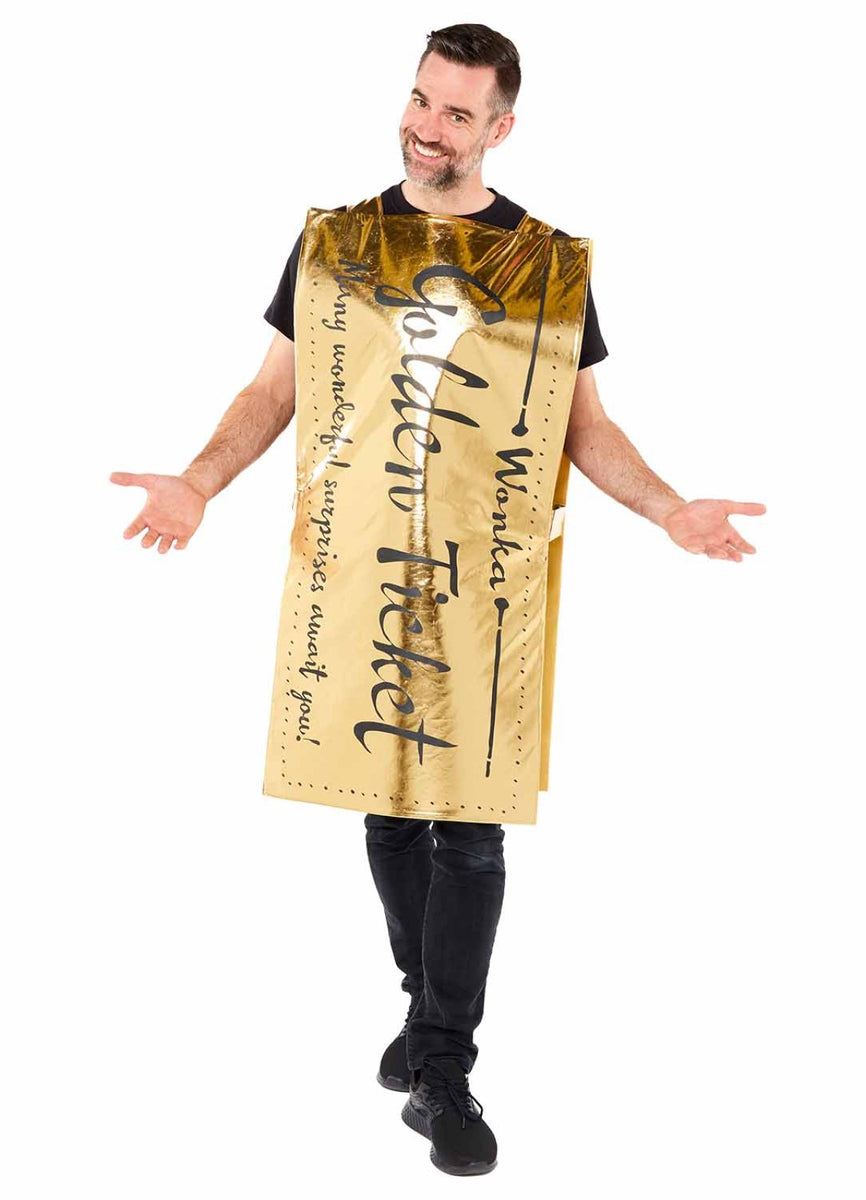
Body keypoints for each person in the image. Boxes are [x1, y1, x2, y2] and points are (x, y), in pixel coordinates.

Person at [110, 23, 766, 1179]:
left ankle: (442, 1071)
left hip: (484, 587)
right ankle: (425, 1009)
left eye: (457, 112)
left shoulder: (543, 265)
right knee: (384, 814)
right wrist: (198, 482)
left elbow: (583, 426)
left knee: (468, 830)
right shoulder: (336, 245)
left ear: (499, 128)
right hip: (358, 573)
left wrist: (668, 511)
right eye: (420, 99)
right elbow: (272, 391)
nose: (427, 126)